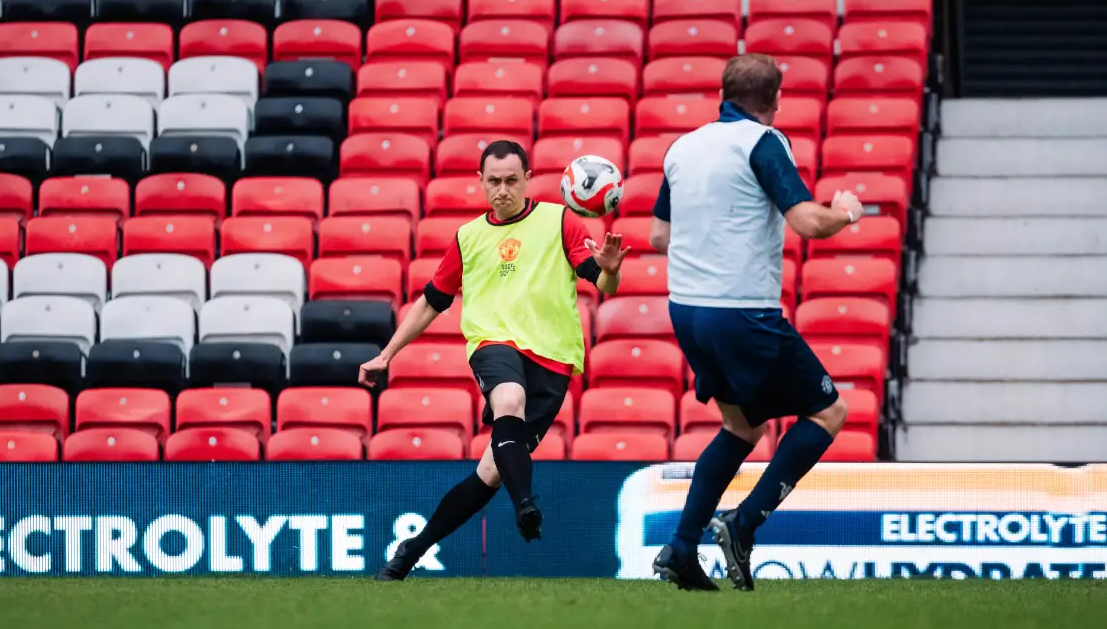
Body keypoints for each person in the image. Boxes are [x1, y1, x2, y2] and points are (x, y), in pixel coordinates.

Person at [361, 140, 631, 581]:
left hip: (553, 358)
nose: (502, 190)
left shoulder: (559, 219)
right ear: (481, 183)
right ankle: (525, 504)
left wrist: (611, 269)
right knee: (508, 398)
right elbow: (432, 301)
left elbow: (602, 283)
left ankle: (412, 550)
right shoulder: (468, 238)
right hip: (493, 344)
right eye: (493, 181)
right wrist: (386, 355)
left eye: (511, 180)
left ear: (527, 179)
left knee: (489, 473)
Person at [648, 53, 866, 592]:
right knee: (829, 411)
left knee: (742, 427)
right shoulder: (763, 142)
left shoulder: (683, 146)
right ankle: (743, 524)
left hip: (688, 311)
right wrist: (847, 212)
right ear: (776, 100)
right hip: (742, 309)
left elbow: (658, 236)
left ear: (722, 91)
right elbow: (807, 221)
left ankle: (681, 548)